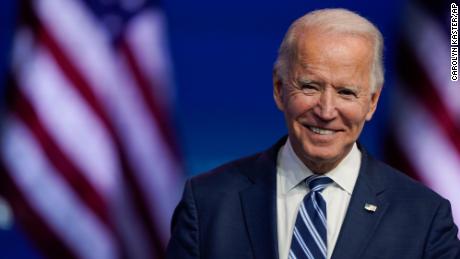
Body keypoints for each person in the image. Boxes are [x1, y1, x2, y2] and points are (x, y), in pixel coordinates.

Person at [166, 8, 460, 259]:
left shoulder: (425, 217)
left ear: (372, 102)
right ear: (279, 89)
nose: (326, 110)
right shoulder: (207, 202)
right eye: (310, 87)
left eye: (346, 92)